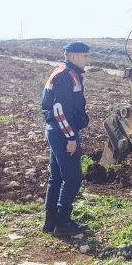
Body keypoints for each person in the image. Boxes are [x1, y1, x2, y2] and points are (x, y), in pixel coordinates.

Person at [41, 41, 91, 237]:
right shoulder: (64, 76)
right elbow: (59, 110)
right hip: (62, 132)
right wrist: (71, 137)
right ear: (73, 56)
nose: (88, 60)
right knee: (72, 178)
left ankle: (50, 222)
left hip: (56, 131)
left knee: (57, 177)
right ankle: (63, 224)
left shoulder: (66, 72)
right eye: (85, 56)